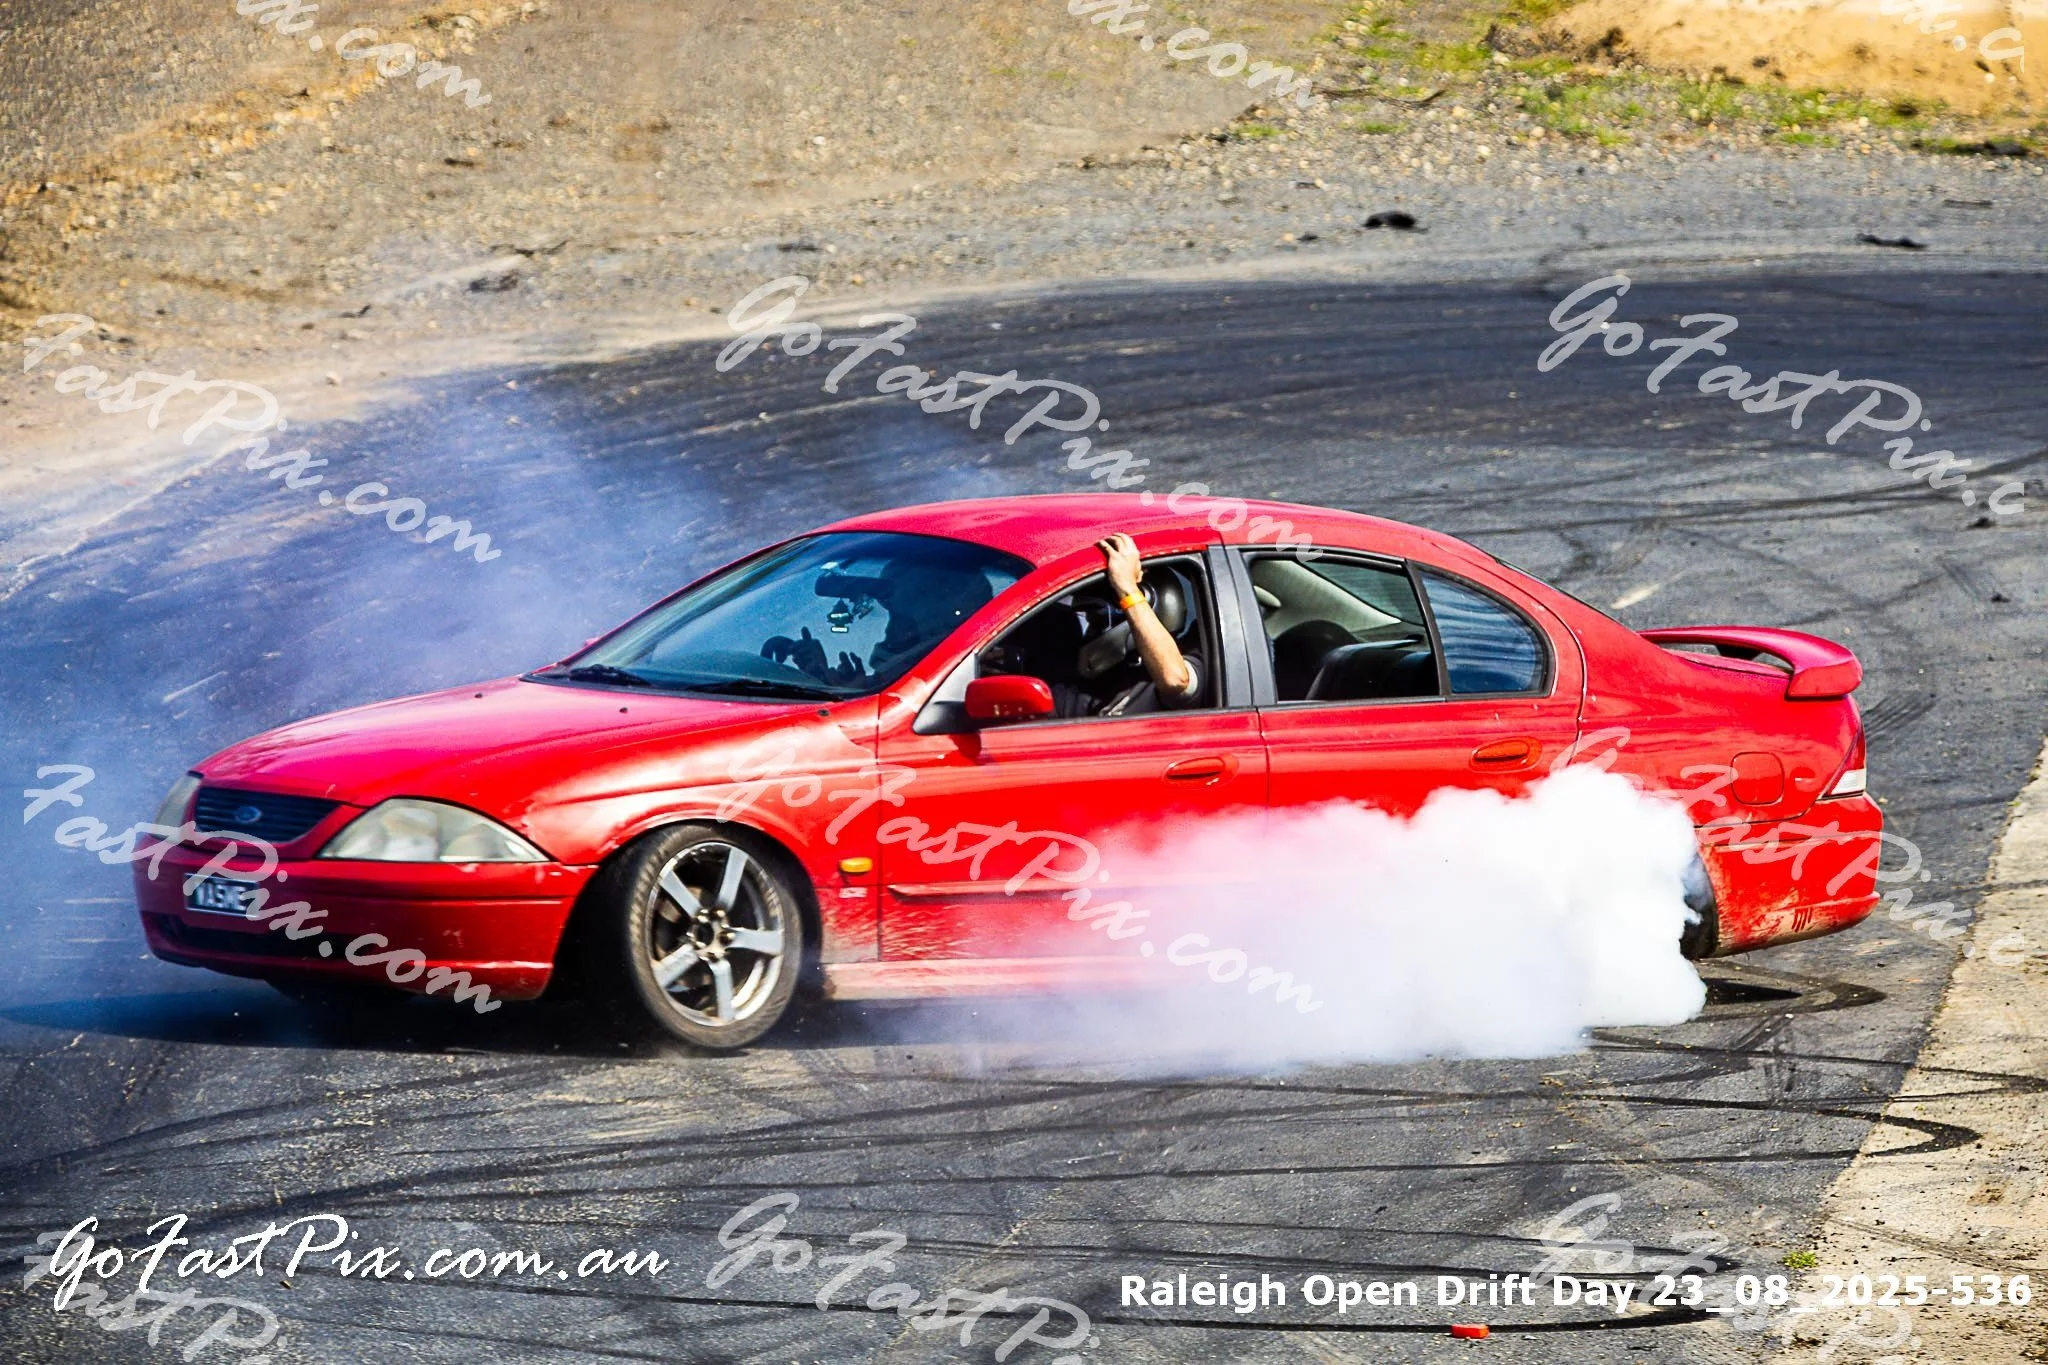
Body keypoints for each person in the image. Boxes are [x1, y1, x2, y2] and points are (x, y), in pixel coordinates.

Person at [1049, 534, 1203, 718]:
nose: (1087, 625)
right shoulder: (1108, 681)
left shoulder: (1217, 651)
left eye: (1098, 615)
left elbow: (1176, 681)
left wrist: (1127, 589)